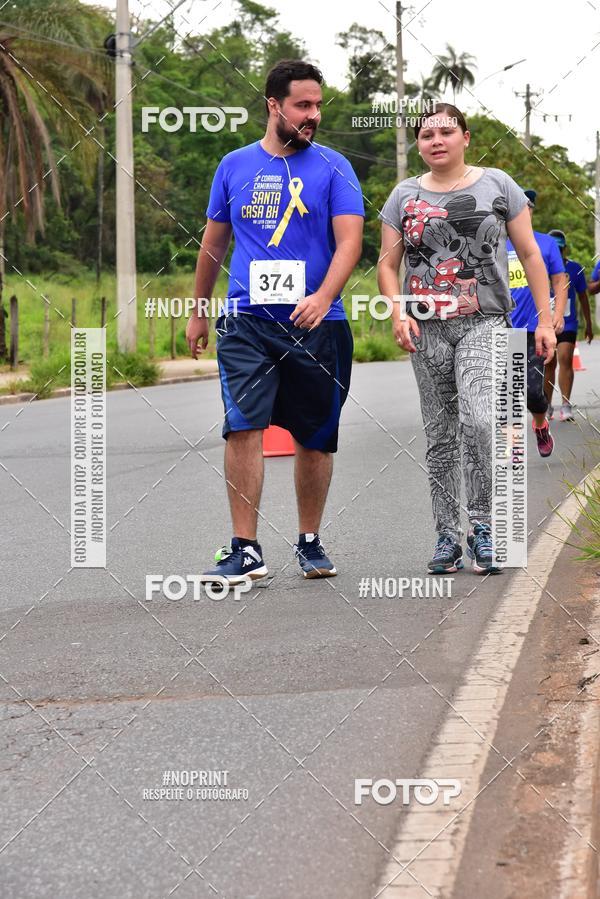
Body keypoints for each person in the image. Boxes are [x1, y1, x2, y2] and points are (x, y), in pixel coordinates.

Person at [185, 59, 364, 584]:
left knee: (315, 435)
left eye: (317, 106)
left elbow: (351, 241)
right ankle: (246, 548)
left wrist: (322, 295)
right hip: (246, 320)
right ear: (273, 105)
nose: (312, 116)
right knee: (243, 426)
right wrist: (198, 308)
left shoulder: (334, 167)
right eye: (302, 106)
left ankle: (309, 540)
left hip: (318, 322)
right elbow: (214, 244)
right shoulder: (234, 166)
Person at [377, 104, 556, 576]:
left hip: (485, 322)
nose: (436, 140)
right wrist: (397, 311)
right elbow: (386, 264)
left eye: (446, 131)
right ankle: (445, 537)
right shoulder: (403, 195)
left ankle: (483, 527)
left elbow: (531, 254)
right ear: (418, 144)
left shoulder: (497, 184)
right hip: (427, 326)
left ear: (465, 138)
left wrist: (545, 321)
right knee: (440, 435)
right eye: (426, 134)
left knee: (479, 421)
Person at [507, 190, 567, 455]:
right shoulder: (497, 243)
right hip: (502, 327)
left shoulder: (545, 243)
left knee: (532, 390)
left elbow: (559, 281)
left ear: (530, 210)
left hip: (535, 328)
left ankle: (541, 424)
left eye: (525, 207)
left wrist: (557, 314)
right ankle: (511, 442)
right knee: (505, 388)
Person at [544, 229, 593, 420]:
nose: (557, 252)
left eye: (560, 249)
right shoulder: (539, 267)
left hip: (568, 323)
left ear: (564, 249)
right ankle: (547, 406)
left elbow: (583, 297)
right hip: (546, 324)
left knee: (565, 359)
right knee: (548, 364)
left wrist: (588, 324)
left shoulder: (575, 269)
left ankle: (565, 404)